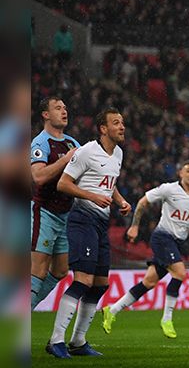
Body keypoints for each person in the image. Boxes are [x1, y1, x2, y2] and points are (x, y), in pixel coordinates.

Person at [46, 108, 131, 358]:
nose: (122, 127)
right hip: (82, 220)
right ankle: (55, 340)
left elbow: (109, 184)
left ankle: (78, 341)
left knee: (100, 285)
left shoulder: (118, 153)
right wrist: (92, 196)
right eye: (116, 123)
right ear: (103, 129)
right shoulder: (86, 152)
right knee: (83, 280)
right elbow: (63, 183)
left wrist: (119, 200)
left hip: (102, 223)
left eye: (122, 122)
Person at [102, 160, 189, 338]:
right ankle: (167, 318)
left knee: (149, 282)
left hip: (179, 241)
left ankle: (112, 310)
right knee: (180, 273)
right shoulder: (168, 189)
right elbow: (142, 202)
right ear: (180, 172)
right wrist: (134, 226)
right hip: (162, 237)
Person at [31, 97, 79, 309]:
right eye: (58, 108)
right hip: (45, 212)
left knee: (60, 270)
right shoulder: (40, 142)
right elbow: (39, 177)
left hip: (66, 214)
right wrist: (65, 160)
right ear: (46, 114)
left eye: (65, 107)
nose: (64, 111)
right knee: (38, 270)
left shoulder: (72, 143)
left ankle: (24, 306)